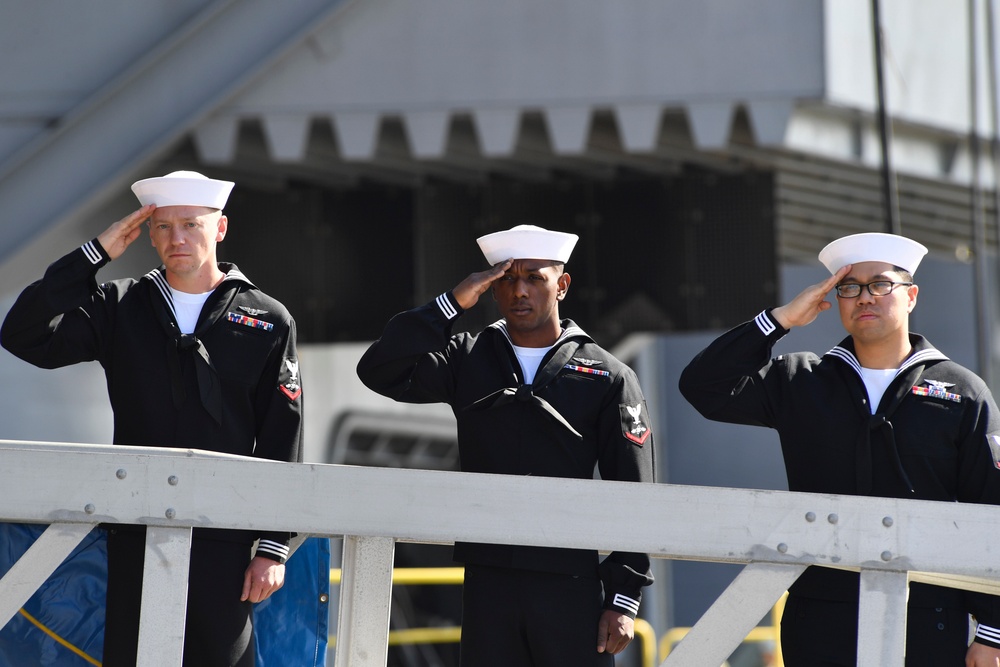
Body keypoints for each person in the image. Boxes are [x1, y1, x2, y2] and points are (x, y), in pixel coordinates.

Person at [1, 171, 304, 666]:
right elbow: (23, 334)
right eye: (162, 227)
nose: (176, 239)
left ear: (220, 228)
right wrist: (92, 255)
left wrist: (273, 547)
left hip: (224, 532)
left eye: (190, 224)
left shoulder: (268, 318)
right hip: (136, 527)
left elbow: (282, 435)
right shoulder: (120, 306)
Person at [678, 232, 1000, 666]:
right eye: (849, 287)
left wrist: (992, 631)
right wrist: (779, 320)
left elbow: (992, 510)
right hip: (821, 615)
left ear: (911, 296)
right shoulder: (801, 380)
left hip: (929, 613)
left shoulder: (962, 391)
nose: (864, 297)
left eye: (881, 285)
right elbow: (703, 386)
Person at [356, 224, 656, 666]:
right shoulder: (467, 357)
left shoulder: (608, 376)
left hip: (570, 583)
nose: (520, 291)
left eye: (535, 278)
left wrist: (624, 596)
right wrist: (451, 303)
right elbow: (379, 370)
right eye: (508, 279)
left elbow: (634, 489)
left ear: (562, 286)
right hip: (487, 582)